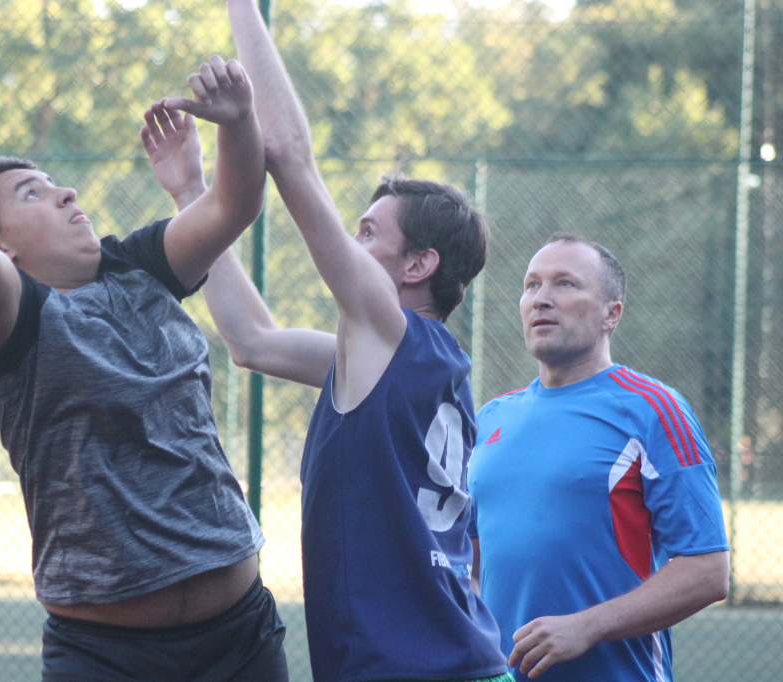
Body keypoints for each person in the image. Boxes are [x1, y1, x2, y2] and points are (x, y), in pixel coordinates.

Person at [0, 20, 287, 682]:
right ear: (2, 243)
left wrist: (236, 121)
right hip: (105, 655)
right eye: (32, 193)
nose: (66, 193)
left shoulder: (139, 266)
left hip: (240, 633)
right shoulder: (17, 321)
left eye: (55, 183)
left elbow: (235, 206)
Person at [139, 2, 512, 681]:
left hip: (419, 670)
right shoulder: (409, 360)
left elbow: (288, 156)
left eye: (369, 232)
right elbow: (252, 340)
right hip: (443, 662)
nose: (351, 240)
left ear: (418, 265)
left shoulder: (387, 332)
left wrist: (241, 9)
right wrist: (192, 191)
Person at [467, 234, 730, 681]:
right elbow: (470, 563)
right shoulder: (492, 416)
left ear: (612, 313)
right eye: (531, 285)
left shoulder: (653, 410)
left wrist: (584, 628)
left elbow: (708, 570)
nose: (541, 299)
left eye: (565, 284)